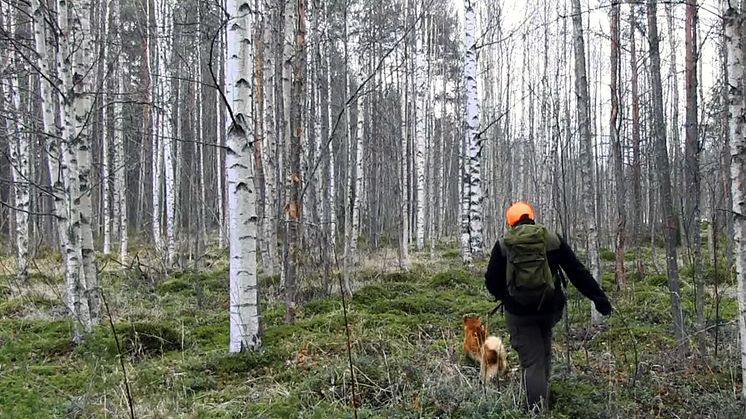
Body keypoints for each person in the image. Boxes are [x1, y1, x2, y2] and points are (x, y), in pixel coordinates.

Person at [484, 201, 612, 411]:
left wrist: (506, 297)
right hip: (548, 309)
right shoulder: (552, 239)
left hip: (518, 313)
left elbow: (491, 280)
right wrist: (599, 298)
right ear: (531, 216)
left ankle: (536, 410)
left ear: (510, 222)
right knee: (543, 354)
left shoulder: (503, 244)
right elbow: (577, 272)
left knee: (532, 362)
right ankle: (543, 401)